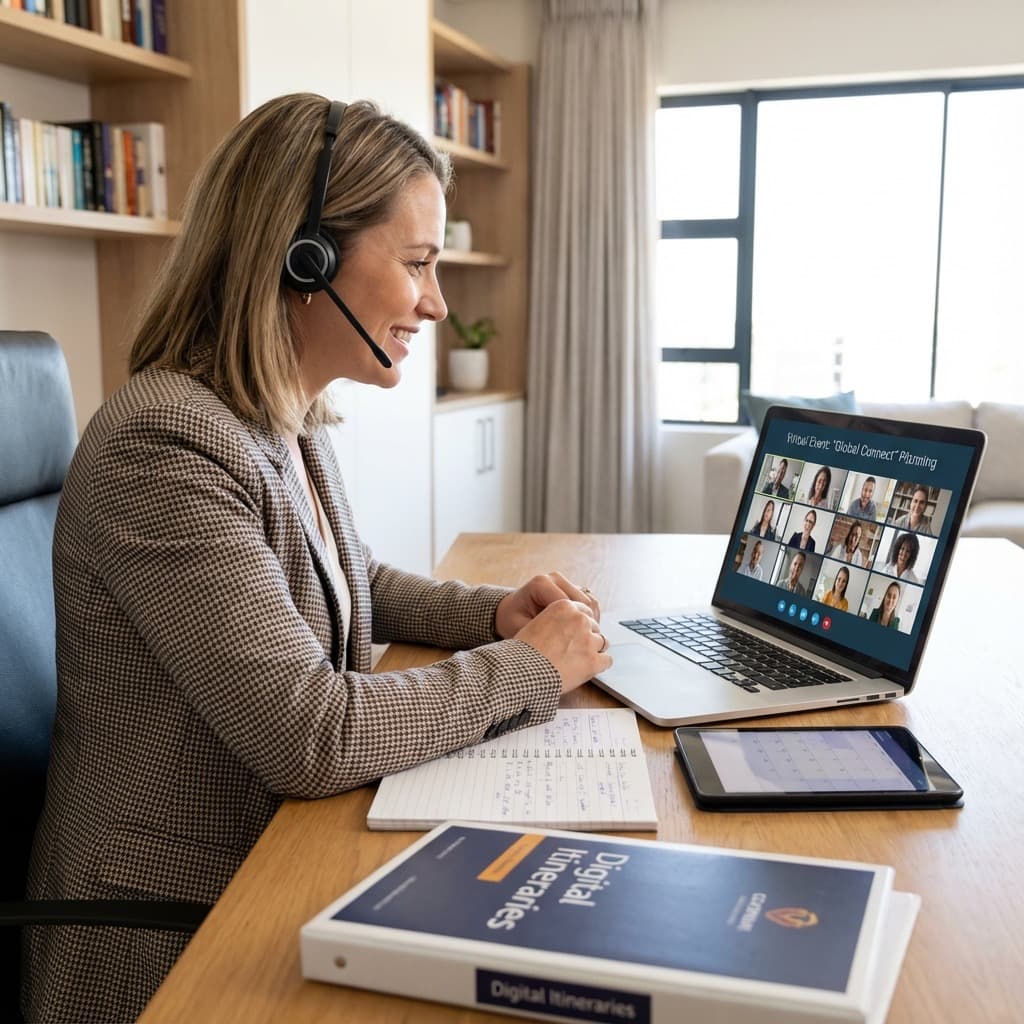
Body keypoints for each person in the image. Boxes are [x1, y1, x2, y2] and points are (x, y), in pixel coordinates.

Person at [23, 95, 612, 1024]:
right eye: (416, 263)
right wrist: (529, 668)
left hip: (276, 857)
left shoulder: (284, 418)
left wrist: (491, 614)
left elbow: (347, 579)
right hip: (170, 928)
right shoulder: (164, 443)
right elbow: (312, 734)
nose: (436, 302)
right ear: (305, 257)